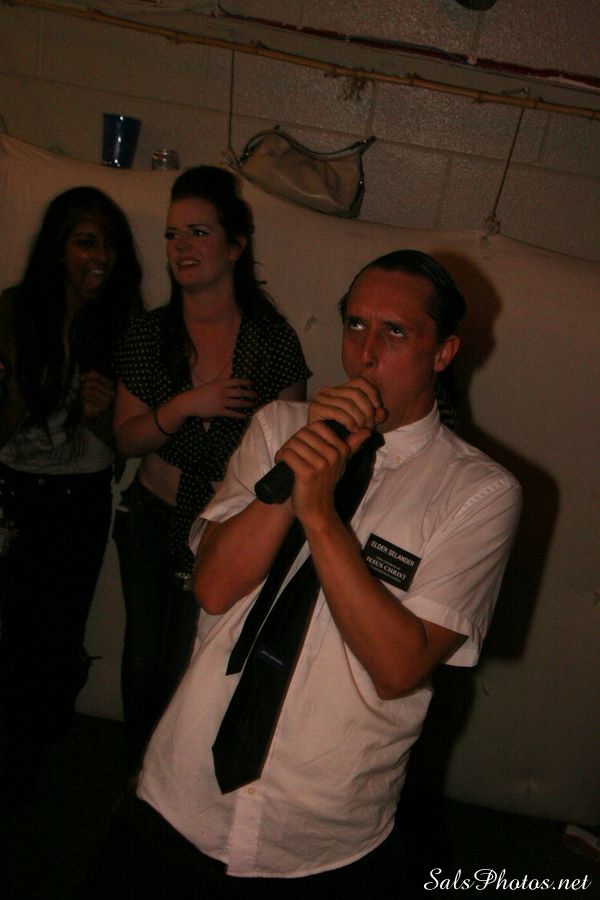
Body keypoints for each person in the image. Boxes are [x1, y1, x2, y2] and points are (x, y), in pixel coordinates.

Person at [86, 250, 521, 898]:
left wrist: (319, 515)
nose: (365, 354)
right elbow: (213, 588)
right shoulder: (279, 427)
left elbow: (399, 666)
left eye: (395, 332)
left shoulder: (478, 492)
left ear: (443, 352)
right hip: (182, 792)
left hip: (321, 830)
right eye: (355, 325)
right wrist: (298, 472)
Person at [112, 166, 310, 765]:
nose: (181, 247)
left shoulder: (272, 340)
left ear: (234, 246)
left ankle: (171, 783)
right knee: (144, 661)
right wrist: (184, 405)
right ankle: (134, 777)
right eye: (172, 235)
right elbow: (126, 438)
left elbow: (287, 454)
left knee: (192, 669)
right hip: (152, 520)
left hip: (225, 528)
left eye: (198, 232)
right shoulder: (150, 333)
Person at [0, 186, 142, 801]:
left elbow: (127, 443)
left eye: (110, 245)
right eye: (86, 242)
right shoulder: (14, 311)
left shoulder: (123, 324)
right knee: (13, 626)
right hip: (14, 488)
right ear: (58, 248)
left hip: (79, 497)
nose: (100, 257)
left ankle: (30, 749)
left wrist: (101, 415)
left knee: (57, 630)